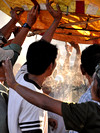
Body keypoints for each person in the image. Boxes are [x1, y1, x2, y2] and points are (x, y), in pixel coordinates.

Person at [3, 57, 100, 133]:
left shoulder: (91, 113)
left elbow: (45, 102)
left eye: (95, 80)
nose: (92, 84)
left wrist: (14, 85)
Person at [7, 0, 62, 132]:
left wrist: (56, 21)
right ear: (50, 67)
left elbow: (41, 46)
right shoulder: (34, 99)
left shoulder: (21, 76)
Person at [0, 5, 37, 133]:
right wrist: (27, 25)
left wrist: (14, 21)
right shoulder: (1, 94)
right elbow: (14, 48)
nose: (8, 65)